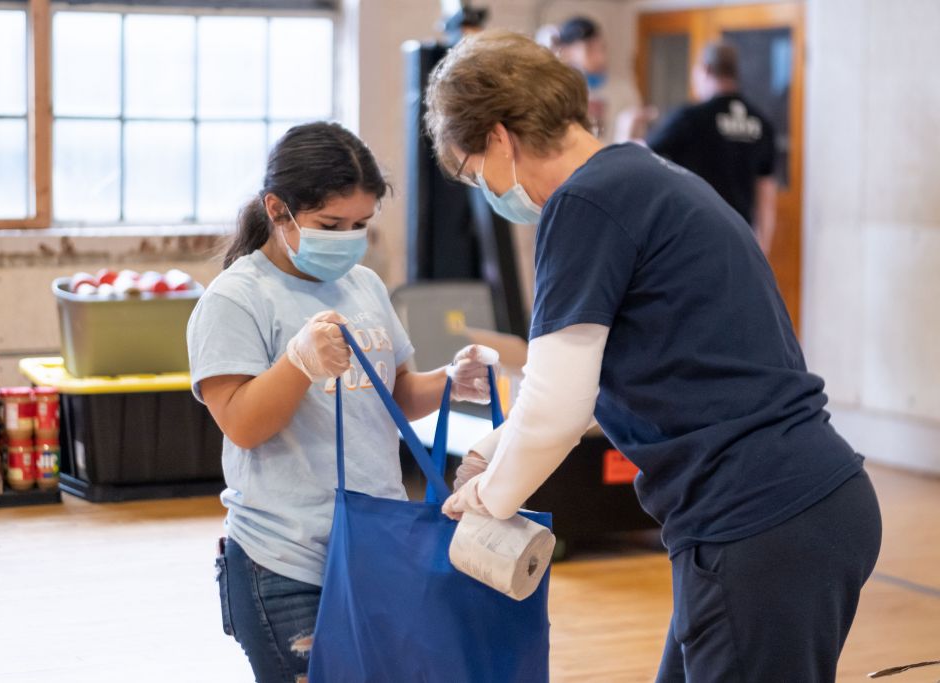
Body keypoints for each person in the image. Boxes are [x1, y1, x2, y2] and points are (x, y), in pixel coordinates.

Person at [424, 30, 881, 682]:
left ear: (499, 137)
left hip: (760, 521)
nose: (488, 192)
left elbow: (557, 406)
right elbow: (593, 386)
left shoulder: (583, 203)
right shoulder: (641, 176)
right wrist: (494, 450)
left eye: (475, 174)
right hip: (789, 510)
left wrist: (487, 500)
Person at [186, 122, 498, 683]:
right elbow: (242, 424)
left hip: (375, 546)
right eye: (331, 225)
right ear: (277, 209)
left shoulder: (364, 285)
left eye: (360, 225)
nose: (348, 239)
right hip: (285, 561)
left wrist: (453, 380)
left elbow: (395, 395)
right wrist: (298, 364)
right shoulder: (235, 299)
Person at [646, 41, 779, 254]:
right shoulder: (761, 123)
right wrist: (761, 253)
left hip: (692, 239)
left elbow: (642, 158)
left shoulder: (690, 119)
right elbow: (766, 196)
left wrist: (626, 129)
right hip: (739, 239)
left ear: (705, 70)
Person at [543, 16, 643, 142]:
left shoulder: (623, 91)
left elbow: (637, 140)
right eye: (589, 49)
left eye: (602, 48)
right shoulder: (557, 93)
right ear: (566, 51)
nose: (600, 58)